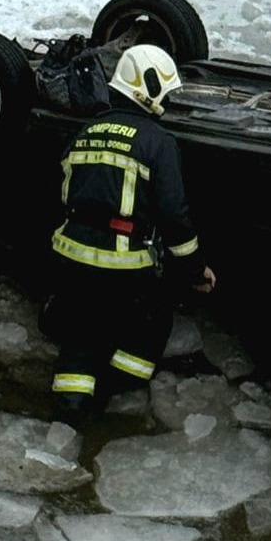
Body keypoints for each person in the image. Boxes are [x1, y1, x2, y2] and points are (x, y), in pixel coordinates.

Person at [44, 43, 215, 421]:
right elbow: (175, 217)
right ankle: (118, 387)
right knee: (151, 321)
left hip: (69, 255)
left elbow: (63, 193)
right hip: (122, 260)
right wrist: (195, 269)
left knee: (81, 334)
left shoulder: (86, 131)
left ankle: (70, 410)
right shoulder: (158, 142)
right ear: (149, 88)